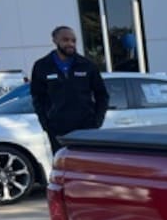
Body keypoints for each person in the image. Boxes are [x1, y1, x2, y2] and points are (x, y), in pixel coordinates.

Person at [30, 26, 109, 154]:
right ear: (55, 40)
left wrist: (96, 122)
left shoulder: (87, 65)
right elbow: (37, 97)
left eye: (73, 40)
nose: (70, 44)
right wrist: (46, 123)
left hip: (86, 128)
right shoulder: (42, 66)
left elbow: (102, 95)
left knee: (86, 162)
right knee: (64, 162)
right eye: (65, 40)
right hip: (58, 130)